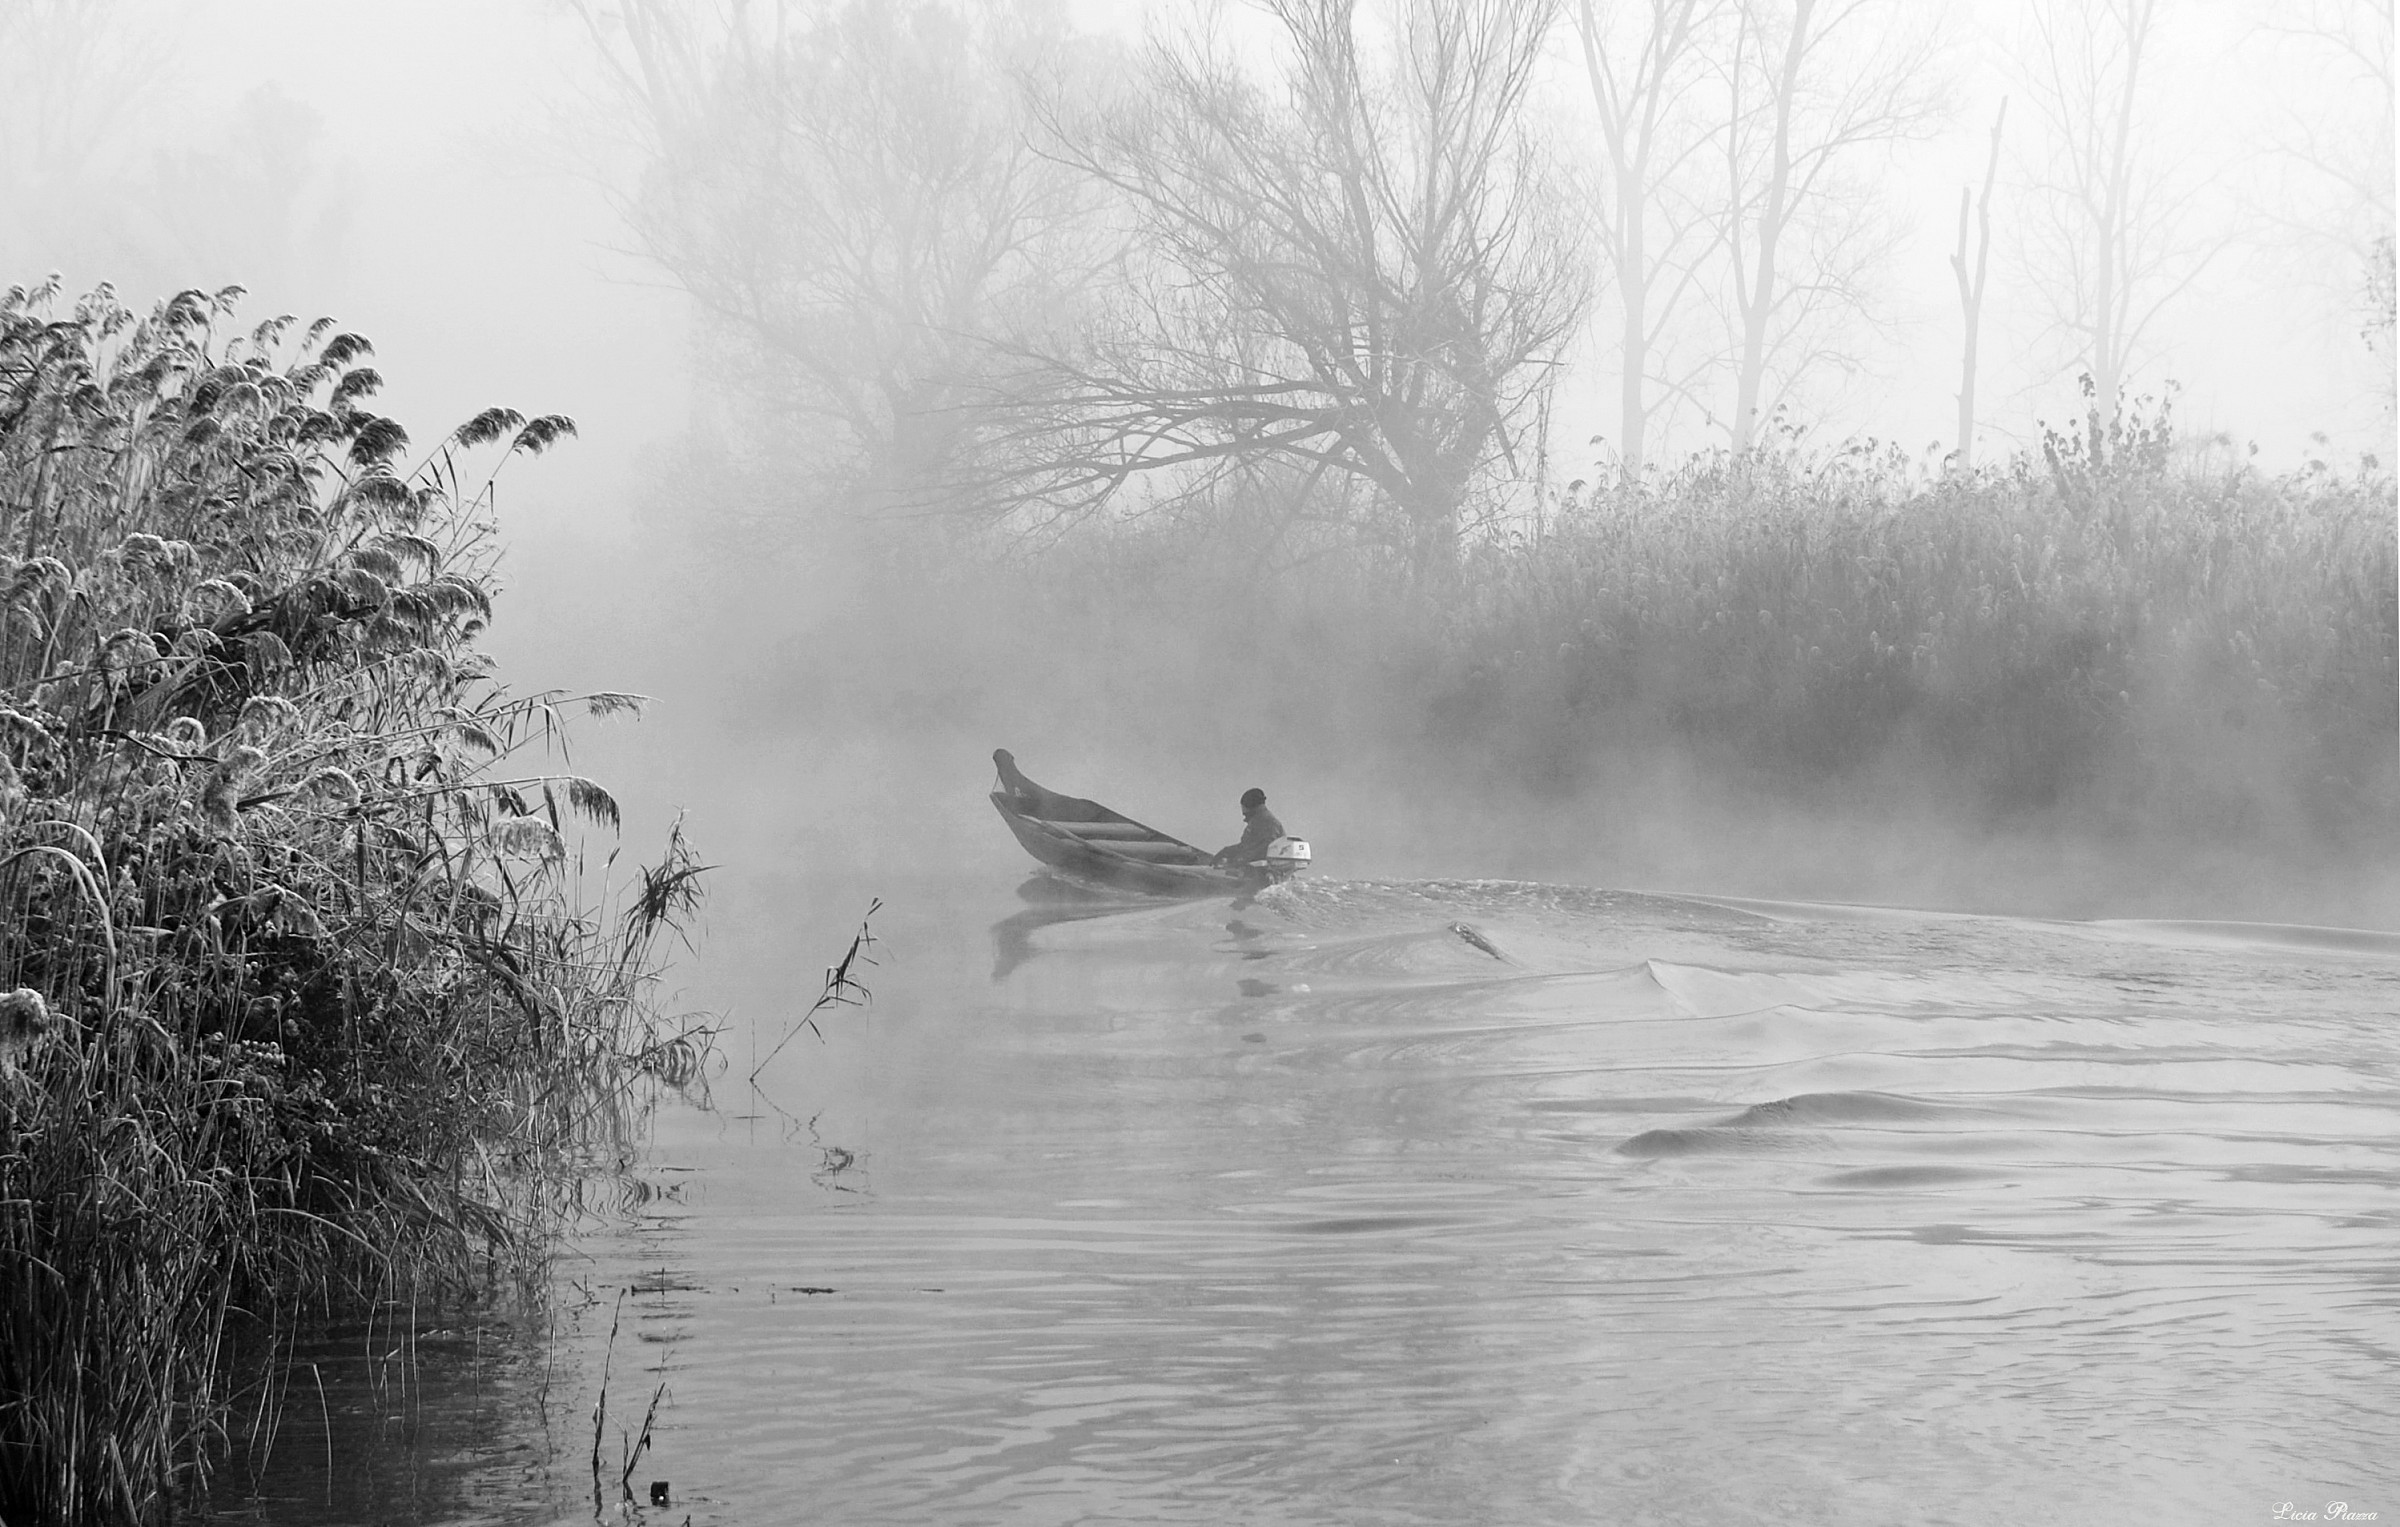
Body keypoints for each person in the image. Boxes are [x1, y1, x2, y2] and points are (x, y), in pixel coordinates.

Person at [1213, 787, 1285, 868]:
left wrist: (1234, 861)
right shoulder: (1263, 819)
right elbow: (1247, 846)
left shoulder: (1265, 822)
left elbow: (1260, 850)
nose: (1243, 813)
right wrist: (1227, 852)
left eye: (1243, 808)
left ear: (1249, 806)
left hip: (1259, 873)